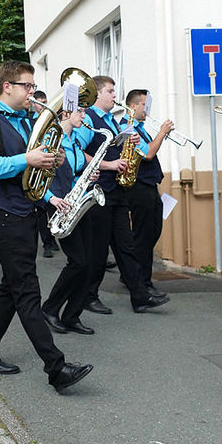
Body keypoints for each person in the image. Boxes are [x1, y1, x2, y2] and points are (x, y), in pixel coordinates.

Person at [0, 60, 92, 393]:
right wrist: (28, 159)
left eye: (33, 87)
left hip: (22, 212)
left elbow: (29, 175)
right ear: (7, 86)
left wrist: (49, 182)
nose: (32, 93)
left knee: (11, 288)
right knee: (27, 291)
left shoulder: (26, 121)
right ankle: (56, 367)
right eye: (28, 86)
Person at [79, 76, 169, 315]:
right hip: (99, 192)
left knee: (126, 247)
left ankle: (139, 296)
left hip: (118, 191)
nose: (114, 95)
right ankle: (88, 296)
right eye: (110, 91)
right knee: (98, 250)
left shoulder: (112, 121)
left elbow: (125, 148)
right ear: (97, 94)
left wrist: (131, 140)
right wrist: (109, 165)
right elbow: (77, 152)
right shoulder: (89, 119)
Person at [41, 108, 98, 335]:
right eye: (81, 112)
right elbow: (37, 174)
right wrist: (50, 199)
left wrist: (87, 175)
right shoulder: (50, 139)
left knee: (89, 262)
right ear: (65, 112)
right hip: (60, 206)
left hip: (77, 203)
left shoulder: (73, 141)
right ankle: (50, 308)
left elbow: (71, 173)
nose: (84, 117)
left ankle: (73, 316)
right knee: (78, 262)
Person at [123, 89, 173, 299]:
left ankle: (135, 276)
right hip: (139, 188)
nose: (148, 110)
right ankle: (142, 282)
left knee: (151, 233)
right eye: (145, 105)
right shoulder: (128, 128)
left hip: (149, 186)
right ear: (133, 106)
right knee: (143, 237)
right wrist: (162, 132)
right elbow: (149, 154)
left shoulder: (140, 128)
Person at [30, 90, 60, 259]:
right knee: (42, 208)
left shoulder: (53, 121)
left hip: (52, 164)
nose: (41, 105)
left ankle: (54, 237)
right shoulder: (32, 122)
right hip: (38, 165)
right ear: (34, 105)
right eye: (38, 102)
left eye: (44, 101)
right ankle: (47, 243)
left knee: (52, 205)